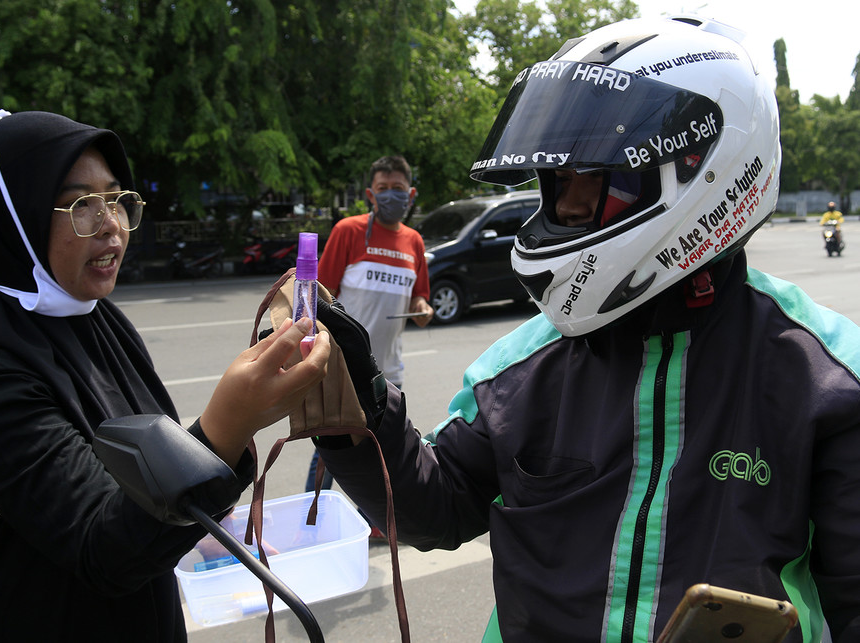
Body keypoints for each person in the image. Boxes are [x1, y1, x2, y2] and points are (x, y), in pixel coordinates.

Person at [307, 16, 860, 642]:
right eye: (557, 182)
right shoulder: (518, 369)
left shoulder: (825, 376)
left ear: (699, 166)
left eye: (592, 178)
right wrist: (354, 418)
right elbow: (437, 509)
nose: (565, 208)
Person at [0, 110, 329, 640]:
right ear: (12, 217)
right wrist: (228, 428)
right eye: (81, 205)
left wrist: (208, 528)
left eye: (116, 199)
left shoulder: (98, 317)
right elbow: (100, 547)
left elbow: (146, 469)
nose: (111, 223)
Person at [303, 155, 433, 495]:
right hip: (343, 367)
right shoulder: (349, 230)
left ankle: (375, 521)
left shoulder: (414, 242)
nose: (391, 195)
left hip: (389, 370)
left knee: (382, 448)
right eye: (383, 189)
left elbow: (420, 298)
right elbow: (320, 296)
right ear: (370, 194)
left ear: (411, 193)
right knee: (331, 452)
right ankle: (310, 521)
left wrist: (422, 309)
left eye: (398, 189)